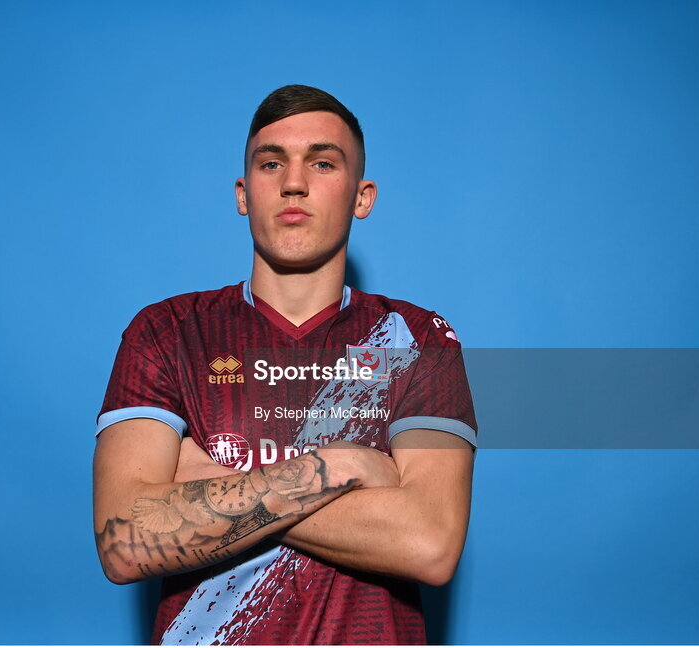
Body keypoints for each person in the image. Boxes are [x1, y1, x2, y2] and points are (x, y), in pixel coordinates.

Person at [93, 84, 477, 645]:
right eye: (272, 163)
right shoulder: (165, 332)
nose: (293, 182)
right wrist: (347, 468)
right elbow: (124, 540)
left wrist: (210, 487)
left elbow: (430, 542)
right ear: (244, 194)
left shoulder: (418, 339)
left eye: (322, 162)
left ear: (362, 196)